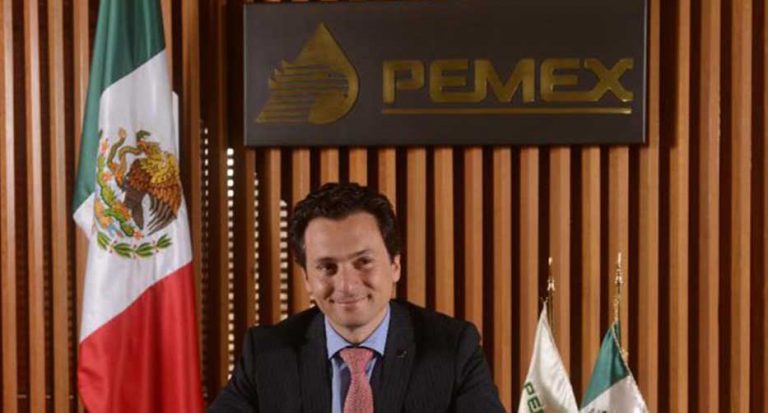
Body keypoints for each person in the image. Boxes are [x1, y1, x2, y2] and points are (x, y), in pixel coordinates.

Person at [209, 182, 504, 413]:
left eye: (363, 262)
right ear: (307, 278)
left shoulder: (453, 349)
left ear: (395, 265)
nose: (347, 285)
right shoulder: (266, 354)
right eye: (327, 267)